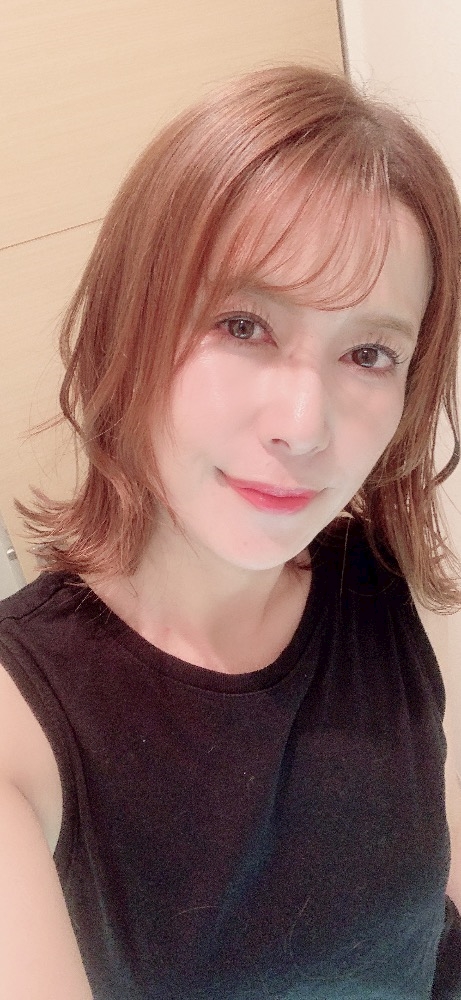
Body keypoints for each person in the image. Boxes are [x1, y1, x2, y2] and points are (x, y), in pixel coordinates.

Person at [0, 64, 460, 1000]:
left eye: (368, 352)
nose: (303, 425)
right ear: (127, 323)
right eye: (242, 324)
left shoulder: (377, 579)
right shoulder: (25, 725)